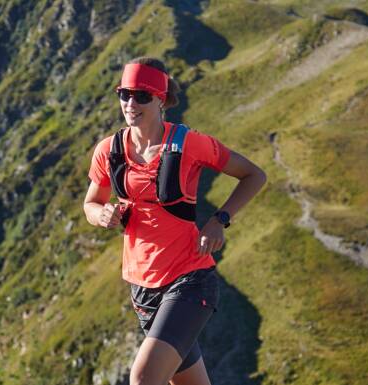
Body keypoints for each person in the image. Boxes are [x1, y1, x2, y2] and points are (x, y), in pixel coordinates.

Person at [83, 57, 266, 385]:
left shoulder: (188, 144)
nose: (130, 103)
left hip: (190, 280)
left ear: (161, 100)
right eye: (124, 94)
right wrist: (102, 214)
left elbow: (253, 175)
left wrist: (219, 220)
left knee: (143, 377)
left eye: (141, 95)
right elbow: (91, 203)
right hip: (142, 287)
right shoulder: (109, 150)